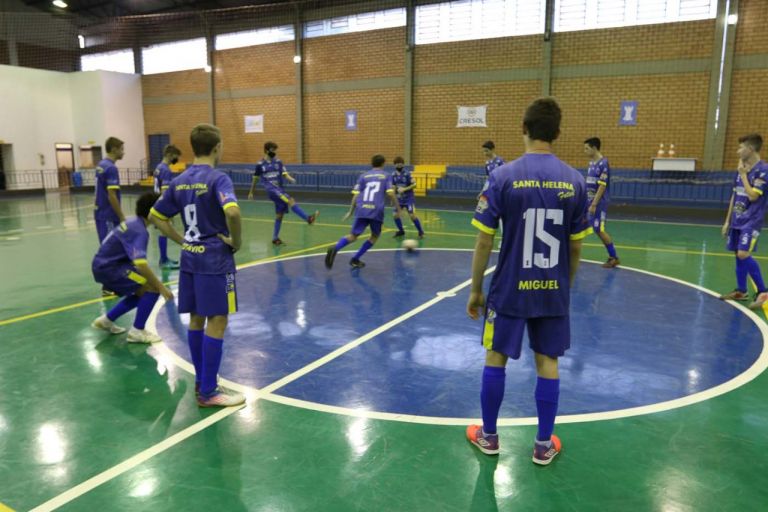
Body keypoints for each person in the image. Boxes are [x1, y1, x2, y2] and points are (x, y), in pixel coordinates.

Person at [465, 98, 591, 466]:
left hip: (509, 288)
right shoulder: (575, 180)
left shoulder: (502, 176)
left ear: (523, 127)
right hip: (553, 290)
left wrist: (476, 289)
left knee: (496, 356)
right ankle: (541, 445)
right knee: (548, 361)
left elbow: (484, 239)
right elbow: (576, 248)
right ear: (557, 133)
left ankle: (489, 437)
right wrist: (562, 286)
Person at [151, 124, 245, 408]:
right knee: (218, 321)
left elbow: (156, 215)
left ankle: (201, 382)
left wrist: (182, 240)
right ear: (217, 147)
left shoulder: (179, 181)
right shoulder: (218, 179)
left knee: (196, 320)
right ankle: (209, 391)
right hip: (216, 260)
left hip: (190, 260)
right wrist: (236, 241)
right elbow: (233, 211)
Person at [91, 192, 173, 343]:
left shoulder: (134, 222)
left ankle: (107, 320)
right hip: (111, 268)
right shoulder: (139, 231)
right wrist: (161, 287)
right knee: (152, 288)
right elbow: (141, 264)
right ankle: (137, 331)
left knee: (141, 290)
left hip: (104, 265)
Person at [719, 133, 768, 310]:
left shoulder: (763, 170)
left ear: (751, 149)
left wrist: (744, 175)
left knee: (743, 254)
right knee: (737, 254)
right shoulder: (741, 169)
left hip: (751, 220)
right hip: (737, 220)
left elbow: (753, 196)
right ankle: (741, 290)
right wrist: (727, 221)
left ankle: (763, 291)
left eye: (741, 147)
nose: (738, 150)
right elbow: (735, 194)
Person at [325, 154, 399, 269]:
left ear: (372, 164)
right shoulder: (386, 176)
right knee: (374, 236)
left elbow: (356, 195)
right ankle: (355, 259)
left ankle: (335, 248)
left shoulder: (363, 176)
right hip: (376, 210)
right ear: (383, 163)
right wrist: (398, 208)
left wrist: (350, 211)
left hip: (362, 208)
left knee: (353, 235)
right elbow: (390, 193)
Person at [247, 141, 318, 245]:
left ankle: (275, 238)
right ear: (267, 150)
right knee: (290, 200)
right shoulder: (260, 165)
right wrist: (251, 192)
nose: (275, 152)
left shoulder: (278, 162)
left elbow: (285, 174)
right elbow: (255, 179)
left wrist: (291, 179)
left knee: (280, 215)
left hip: (280, 189)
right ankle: (308, 219)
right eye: (273, 150)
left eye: (275, 150)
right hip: (271, 190)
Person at [583, 137, 620, 268]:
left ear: (594, 148)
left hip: (598, 203)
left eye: (587, 148)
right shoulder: (591, 163)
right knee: (579, 224)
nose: (585, 151)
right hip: (588, 201)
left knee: (599, 229)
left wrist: (593, 204)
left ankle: (613, 257)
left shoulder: (603, 163)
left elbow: (602, 185)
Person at [154, 144, 182, 269]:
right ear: (170, 155)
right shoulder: (165, 170)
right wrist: (168, 209)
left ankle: (164, 258)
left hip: (155, 202)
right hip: (161, 204)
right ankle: (163, 260)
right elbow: (165, 191)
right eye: (175, 157)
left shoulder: (158, 168)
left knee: (163, 231)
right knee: (164, 231)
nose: (176, 160)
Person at [94, 137, 127, 243]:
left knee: (107, 247)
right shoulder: (111, 168)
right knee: (110, 248)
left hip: (100, 213)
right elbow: (111, 195)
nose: (123, 152)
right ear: (114, 149)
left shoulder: (101, 164)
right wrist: (121, 216)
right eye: (121, 149)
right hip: (109, 215)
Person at [390, 156, 425, 239]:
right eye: (397, 164)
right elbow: (394, 186)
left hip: (408, 198)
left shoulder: (407, 173)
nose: (399, 165)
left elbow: (414, 184)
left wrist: (404, 189)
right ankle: (401, 231)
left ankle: (421, 232)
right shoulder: (393, 174)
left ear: (403, 164)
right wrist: (393, 197)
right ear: (394, 165)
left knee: (412, 215)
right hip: (399, 199)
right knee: (395, 215)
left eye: (400, 164)